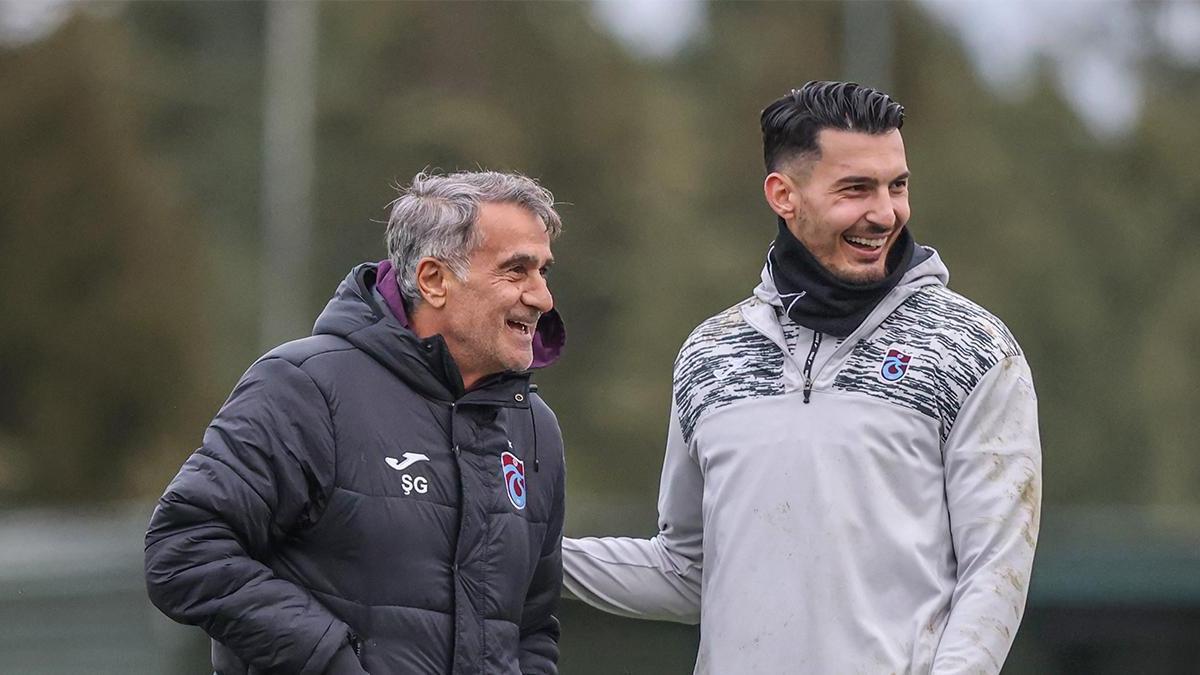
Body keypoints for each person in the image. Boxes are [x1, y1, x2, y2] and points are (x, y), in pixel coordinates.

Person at [562, 81, 1042, 674]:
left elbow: (995, 572)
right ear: (783, 195)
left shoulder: (971, 346)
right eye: (856, 189)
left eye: (897, 185)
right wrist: (527, 554)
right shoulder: (710, 353)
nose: (885, 213)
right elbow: (688, 572)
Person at [145, 170, 567, 675]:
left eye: (543, 271)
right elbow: (184, 550)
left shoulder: (535, 428)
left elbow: (531, 626)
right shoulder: (304, 388)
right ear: (434, 281)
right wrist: (331, 660)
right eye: (516, 271)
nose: (542, 297)